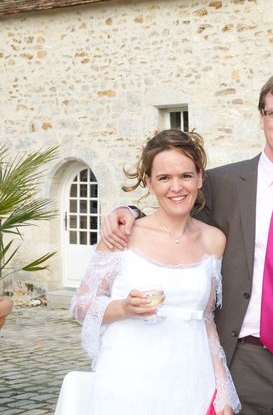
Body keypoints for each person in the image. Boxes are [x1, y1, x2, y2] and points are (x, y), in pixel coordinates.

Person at [100, 72, 273, 414]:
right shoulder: (221, 183)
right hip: (240, 356)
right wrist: (129, 212)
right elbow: (176, 213)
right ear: (261, 118)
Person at [70, 129, 240, 415]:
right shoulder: (123, 234)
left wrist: (222, 390)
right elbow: (81, 304)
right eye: (164, 178)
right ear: (148, 182)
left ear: (199, 177)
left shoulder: (214, 240)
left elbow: (207, 319)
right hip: (129, 379)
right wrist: (123, 308)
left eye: (186, 176)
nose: (177, 187)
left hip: (192, 380)